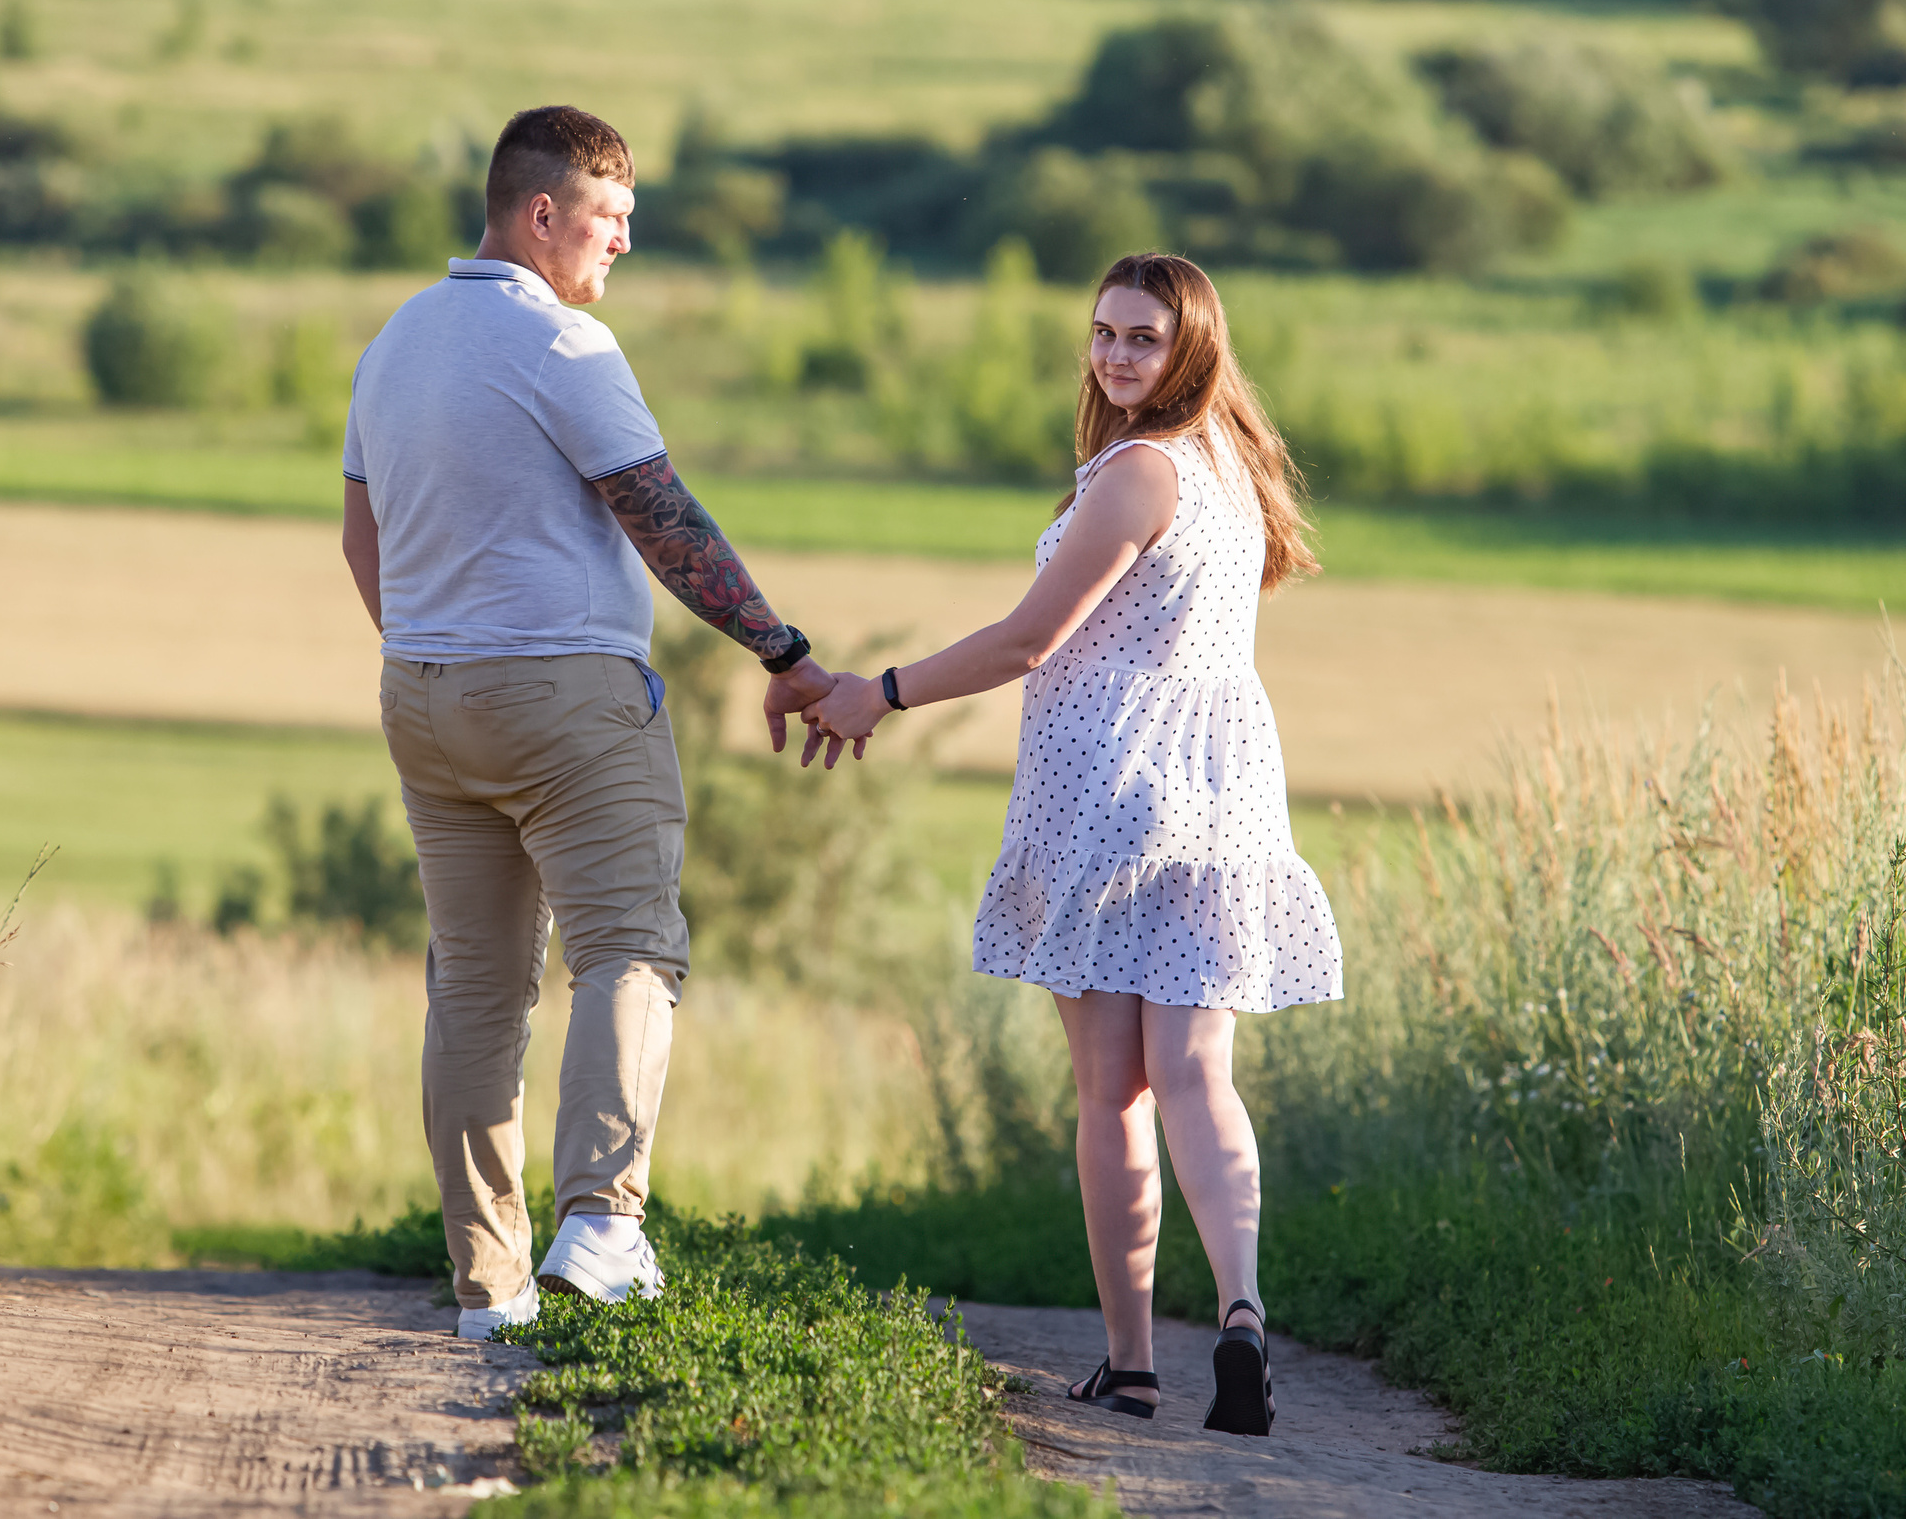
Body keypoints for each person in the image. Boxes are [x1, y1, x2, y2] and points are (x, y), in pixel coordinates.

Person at [805, 253, 1340, 1435]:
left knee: (1112, 1093)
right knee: (1199, 1073)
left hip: (1108, 794)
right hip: (1226, 791)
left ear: (1191, 346)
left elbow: (1026, 642)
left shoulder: (1140, 472)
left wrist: (877, 692)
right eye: (1102, 332)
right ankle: (1243, 1313)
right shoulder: (1230, 469)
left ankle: (1133, 1364)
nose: (1112, 354)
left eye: (1141, 338)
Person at [340, 104, 850, 1342]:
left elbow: (362, 538)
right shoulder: (564, 347)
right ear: (541, 216)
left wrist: (434, 647)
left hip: (422, 691)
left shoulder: (397, 340)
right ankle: (605, 1222)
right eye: (611, 220)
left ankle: (489, 1292)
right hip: (566, 697)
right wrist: (783, 654)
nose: (622, 245)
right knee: (630, 945)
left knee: (473, 986)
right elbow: (661, 517)